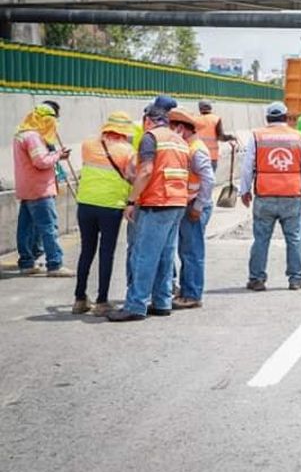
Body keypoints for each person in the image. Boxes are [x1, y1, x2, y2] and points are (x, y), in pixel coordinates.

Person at [107, 99, 190, 322]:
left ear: (148, 120)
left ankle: (136, 305)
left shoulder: (151, 137)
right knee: (165, 254)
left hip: (157, 202)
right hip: (177, 202)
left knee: (143, 255)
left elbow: (145, 172)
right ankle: (162, 302)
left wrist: (132, 201)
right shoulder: (179, 140)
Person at [240, 101, 301, 292]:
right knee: (295, 238)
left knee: (261, 239)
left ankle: (256, 279)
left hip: (265, 196)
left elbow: (247, 166)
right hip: (292, 195)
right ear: (286, 118)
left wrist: (245, 191)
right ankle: (296, 279)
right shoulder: (299, 137)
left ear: (267, 118)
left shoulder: (257, 137)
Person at [72, 112, 137, 316]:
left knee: (86, 251)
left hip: (85, 204)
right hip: (111, 206)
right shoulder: (128, 151)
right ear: (124, 131)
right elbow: (132, 177)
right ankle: (101, 302)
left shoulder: (88, 145)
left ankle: (79, 299)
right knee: (106, 252)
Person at [12, 103, 73, 277]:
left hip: (27, 187)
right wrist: (58, 155)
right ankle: (55, 264)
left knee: (26, 227)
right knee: (48, 227)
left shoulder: (21, 134)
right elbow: (41, 161)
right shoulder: (33, 137)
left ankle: (26, 262)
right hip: (40, 189)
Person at [169, 109, 214, 310]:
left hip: (195, 206)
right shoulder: (188, 147)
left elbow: (208, 179)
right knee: (186, 250)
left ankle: (192, 294)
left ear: (181, 128)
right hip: (189, 204)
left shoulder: (196, 149)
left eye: (172, 128)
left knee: (191, 252)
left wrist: (198, 206)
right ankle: (187, 290)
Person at [195, 99, 238, 173]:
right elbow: (221, 137)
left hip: (198, 155)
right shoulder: (216, 119)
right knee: (210, 180)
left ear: (200, 108)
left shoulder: (195, 120)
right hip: (212, 156)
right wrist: (231, 137)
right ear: (210, 107)